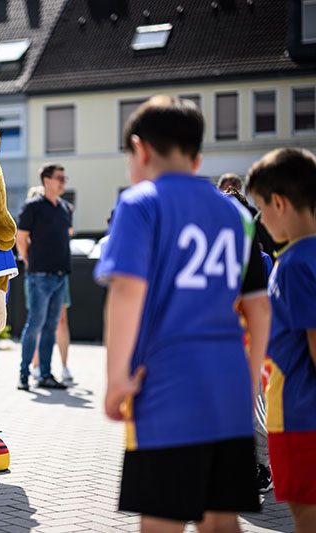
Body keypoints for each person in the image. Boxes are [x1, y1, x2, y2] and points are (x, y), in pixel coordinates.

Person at [95, 95, 270, 532]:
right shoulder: (236, 213)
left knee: (162, 522)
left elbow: (126, 294)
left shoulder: (140, 203)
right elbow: (259, 308)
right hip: (229, 385)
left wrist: (116, 378)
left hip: (166, 384)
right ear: (198, 155)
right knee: (221, 521)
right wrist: (248, 385)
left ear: (140, 149)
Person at [246, 148, 316, 532]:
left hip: (297, 416)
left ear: (279, 202)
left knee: (305, 515)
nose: (260, 219)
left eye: (260, 207)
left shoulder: (293, 266)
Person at [222, 186, 274, 494]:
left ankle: (263, 467)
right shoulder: (210, 255)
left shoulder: (261, 259)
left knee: (253, 410)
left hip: (250, 347)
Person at [16, 163, 72, 391]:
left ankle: (46, 375)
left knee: (51, 327)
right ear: (46, 181)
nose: (63, 182)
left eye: (64, 178)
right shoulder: (32, 207)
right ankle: (24, 374)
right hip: (40, 276)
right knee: (35, 325)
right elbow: (21, 239)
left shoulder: (64, 208)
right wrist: (29, 261)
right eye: (59, 178)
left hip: (60, 276)